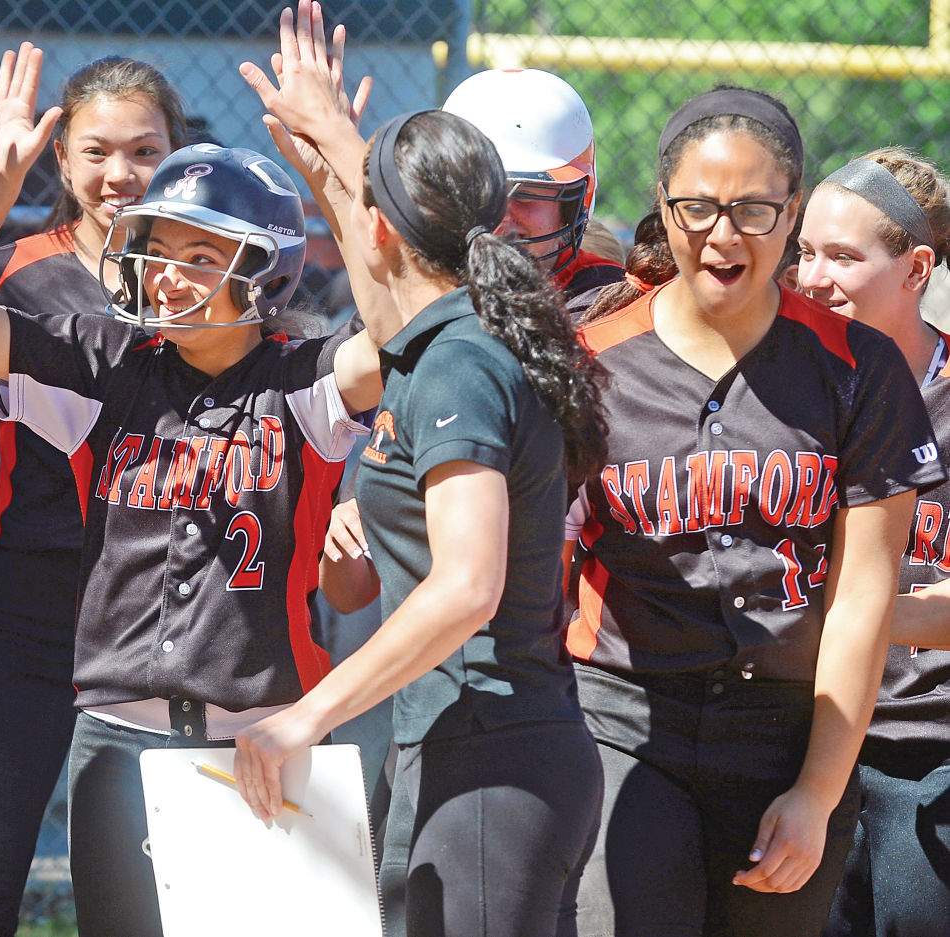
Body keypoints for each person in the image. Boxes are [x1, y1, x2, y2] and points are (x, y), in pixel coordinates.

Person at [0, 23, 383, 933]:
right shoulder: (90, 350)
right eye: (156, 248)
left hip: (251, 683)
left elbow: (393, 348)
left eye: (199, 255)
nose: (166, 275)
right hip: (84, 660)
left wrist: (338, 173)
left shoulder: (297, 363)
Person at [233, 6, 609, 934]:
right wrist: (327, 149)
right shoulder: (441, 343)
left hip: (496, 755)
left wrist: (303, 717)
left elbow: (467, 588)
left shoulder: (463, 363)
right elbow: (386, 291)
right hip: (465, 745)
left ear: (383, 226)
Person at [566, 87, 944, 937]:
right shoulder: (593, 361)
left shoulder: (859, 368)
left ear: (792, 210)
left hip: (785, 726)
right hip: (626, 714)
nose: (723, 233)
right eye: (698, 206)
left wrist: (815, 791)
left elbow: (860, 600)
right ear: (665, 206)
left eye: (754, 207)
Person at [0, 54, 185, 937]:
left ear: (177, 154)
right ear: (61, 159)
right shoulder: (17, 275)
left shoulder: (212, 276)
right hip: (33, 612)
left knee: (159, 903)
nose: (121, 174)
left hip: (169, 616)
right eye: (99, 151)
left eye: (145, 150)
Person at [792, 148, 950, 937]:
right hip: (797, 735)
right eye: (805, 251)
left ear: (917, 267)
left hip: (928, 749)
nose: (812, 277)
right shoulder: (781, 394)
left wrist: (855, 610)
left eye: (842, 257)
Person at [443, 67, 625, 319]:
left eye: (526, 196)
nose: (503, 218)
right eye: (485, 195)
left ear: (572, 208)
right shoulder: (412, 286)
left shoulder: (604, 299)